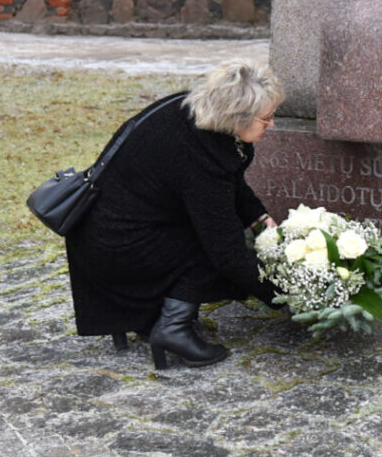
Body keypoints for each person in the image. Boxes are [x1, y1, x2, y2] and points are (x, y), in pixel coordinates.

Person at [64, 59, 284, 369]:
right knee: (216, 246)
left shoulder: (198, 114)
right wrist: (283, 296)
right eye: (267, 118)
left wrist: (260, 220)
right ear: (238, 116)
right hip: (115, 247)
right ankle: (173, 327)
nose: (272, 124)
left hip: (110, 228)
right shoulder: (197, 155)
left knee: (216, 232)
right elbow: (226, 253)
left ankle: (157, 317)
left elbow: (230, 179)